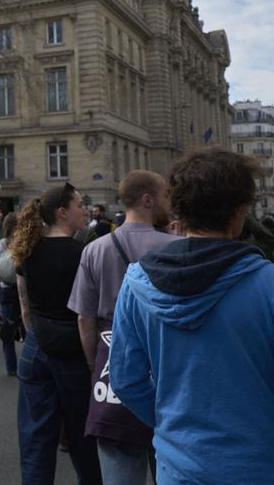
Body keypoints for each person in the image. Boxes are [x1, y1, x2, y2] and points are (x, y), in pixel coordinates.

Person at [110, 148, 274, 485]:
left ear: (180, 210)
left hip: (178, 465)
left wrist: (169, 423)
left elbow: (126, 380)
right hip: (262, 465)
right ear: (240, 212)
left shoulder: (135, 282)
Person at [67, 171, 180, 484]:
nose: (169, 202)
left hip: (112, 374)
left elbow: (84, 318)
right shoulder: (176, 248)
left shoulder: (95, 249)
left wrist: (96, 363)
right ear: (147, 199)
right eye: (166, 196)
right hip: (166, 373)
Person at [12, 183, 102, 485]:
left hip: (37, 344)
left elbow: (24, 306)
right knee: (84, 437)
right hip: (74, 349)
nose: (84, 209)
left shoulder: (28, 250)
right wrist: (93, 362)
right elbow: (86, 317)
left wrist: (36, 337)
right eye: (79, 205)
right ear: (62, 213)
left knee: (36, 438)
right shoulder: (85, 253)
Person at [0, 213, 20, 375]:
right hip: (21, 288)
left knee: (8, 330)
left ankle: (11, 367)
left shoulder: (2, 243)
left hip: (6, 289)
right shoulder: (23, 242)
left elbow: (0, 266)